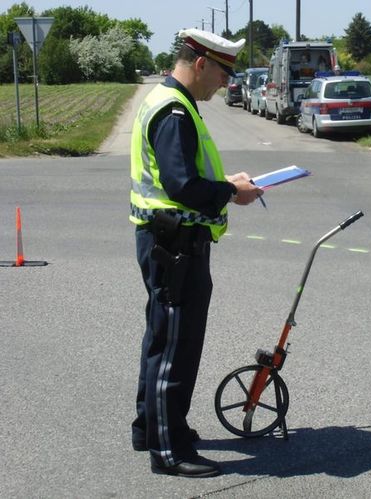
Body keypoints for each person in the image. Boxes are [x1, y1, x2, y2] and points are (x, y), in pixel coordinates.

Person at [129, 28, 263, 478]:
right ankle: (168, 451)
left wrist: (228, 184)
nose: (226, 84)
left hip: (166, 240)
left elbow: (183, 175)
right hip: (175, 244)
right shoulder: (173, 110)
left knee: (161, 337)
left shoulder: (171, 101)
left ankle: (154, 428)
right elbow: (182, 185)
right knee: (175, 345)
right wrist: (231, 193)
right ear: (201, 63)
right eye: (224, 72)